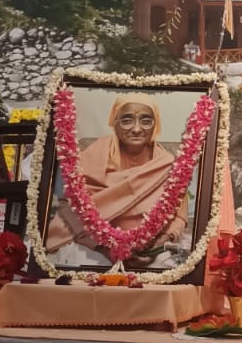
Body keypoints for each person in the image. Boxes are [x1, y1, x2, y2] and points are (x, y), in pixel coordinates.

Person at [46, 94, 190, 268]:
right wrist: (105, 249)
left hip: (153, 247)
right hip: (95, 244)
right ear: (115, 123)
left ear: (155, 124)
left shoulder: (168, 164)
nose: (136, 129)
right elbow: (70, 206)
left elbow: (179, 216)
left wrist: (157, 246)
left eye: (146, 121)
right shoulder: (95, 155)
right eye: (127, 120)